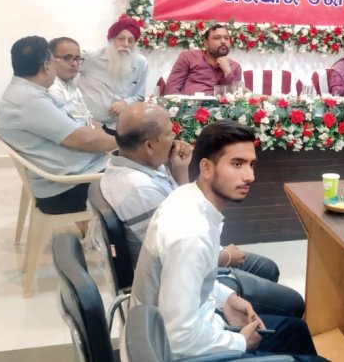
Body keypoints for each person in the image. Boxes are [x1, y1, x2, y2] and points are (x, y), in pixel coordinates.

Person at [132, 120, 325, 360]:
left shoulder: (187, 198)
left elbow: (195, 280)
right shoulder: (191, 235)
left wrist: (227, 299)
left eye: (251, 165)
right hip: (181, 351)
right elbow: (178, 337)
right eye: (237, 164)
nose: (249, 176)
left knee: (296, 330)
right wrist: (241, 342)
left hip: (199, 326)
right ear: (206, 167)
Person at [103, 103, 305, 317]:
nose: (175, 138)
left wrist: (180, 168)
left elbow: (182, 209)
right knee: (291, 303)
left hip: (190, 257)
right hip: (176, 280)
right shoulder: (138, 189)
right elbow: (175, 256)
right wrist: (225, 256)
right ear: (150, 145)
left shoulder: (140, 164)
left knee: (267, 268)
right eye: (169, 133)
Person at [0, 36, 116, 215]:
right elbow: (86, 140)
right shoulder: (31, 101)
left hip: (71, 174)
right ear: (46, 66)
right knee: (141, 178)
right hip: (65, 188)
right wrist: (126, 143)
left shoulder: (23, 92)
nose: (73, 64)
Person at [78, 16, 149, 131]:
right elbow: (63, 67)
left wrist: (126, 102)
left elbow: (140, 96)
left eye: (130, 40)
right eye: (121, 39)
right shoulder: (91, 57)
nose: (125, 44)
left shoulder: (141, 63)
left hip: (118, 126)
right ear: (111, 39)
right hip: (86, 124)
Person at [165, 23, 242, 96]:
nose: (223, 42)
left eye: (226, 38)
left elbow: (234, 98)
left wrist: (227, 71)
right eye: (217, 38)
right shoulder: (189, 57)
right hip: (189, 104)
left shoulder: (235, 67)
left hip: (219, 105)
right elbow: (171, 90)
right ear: (206, 44)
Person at [47, 37, 94, 127]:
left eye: (77, 59)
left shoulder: (71, 84)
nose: (74, 63)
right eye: (67, 58)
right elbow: (67, 130)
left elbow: (87, 118)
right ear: (51, 59)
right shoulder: (51, 88)